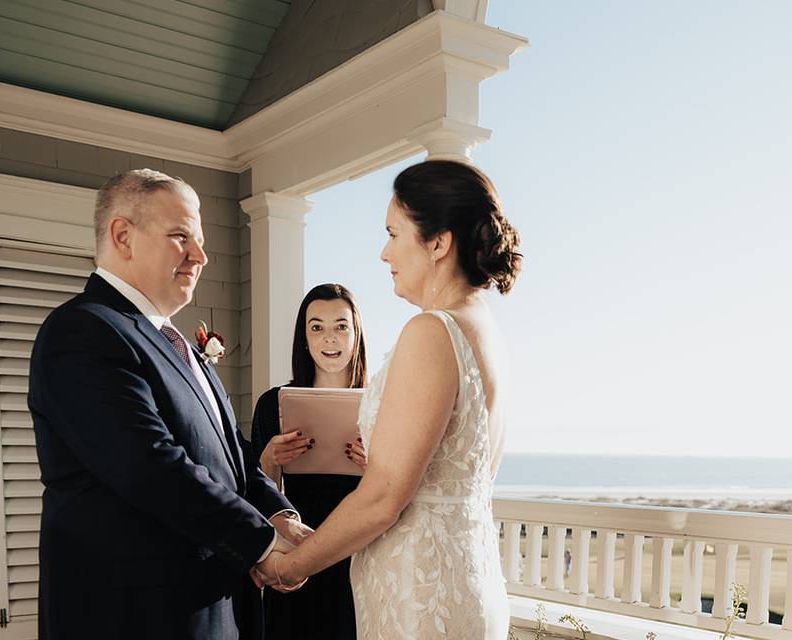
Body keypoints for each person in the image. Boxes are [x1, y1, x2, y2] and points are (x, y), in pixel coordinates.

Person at [28, 169, 310, 640]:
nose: (201, 257)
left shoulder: (175, 341)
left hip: (211, 608)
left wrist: (280, 514)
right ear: (123, 236)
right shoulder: (81, 332)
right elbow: (151, 466)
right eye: (181, 237)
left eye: (198, 241)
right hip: (135, 618)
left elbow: (233, 455)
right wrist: (262, 543)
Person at [259, 159, 522, 638]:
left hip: (420, 595)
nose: (384, 253)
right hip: (463, 575)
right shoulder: (483, 328)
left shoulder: (432, 331)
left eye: (393, 233)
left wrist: (291, 566)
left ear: (439, 242)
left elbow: (383, 497)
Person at [250, 283, 368, 639]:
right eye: (316, 327)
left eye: (340, 326)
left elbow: (400, 487)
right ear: (304, 337)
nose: (329, 338)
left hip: (360, 553)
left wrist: (376, 466)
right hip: (297, 548)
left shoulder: (384, 403)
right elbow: (257, 493)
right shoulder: (273, 404)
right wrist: (271, 458)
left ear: (356, 333)